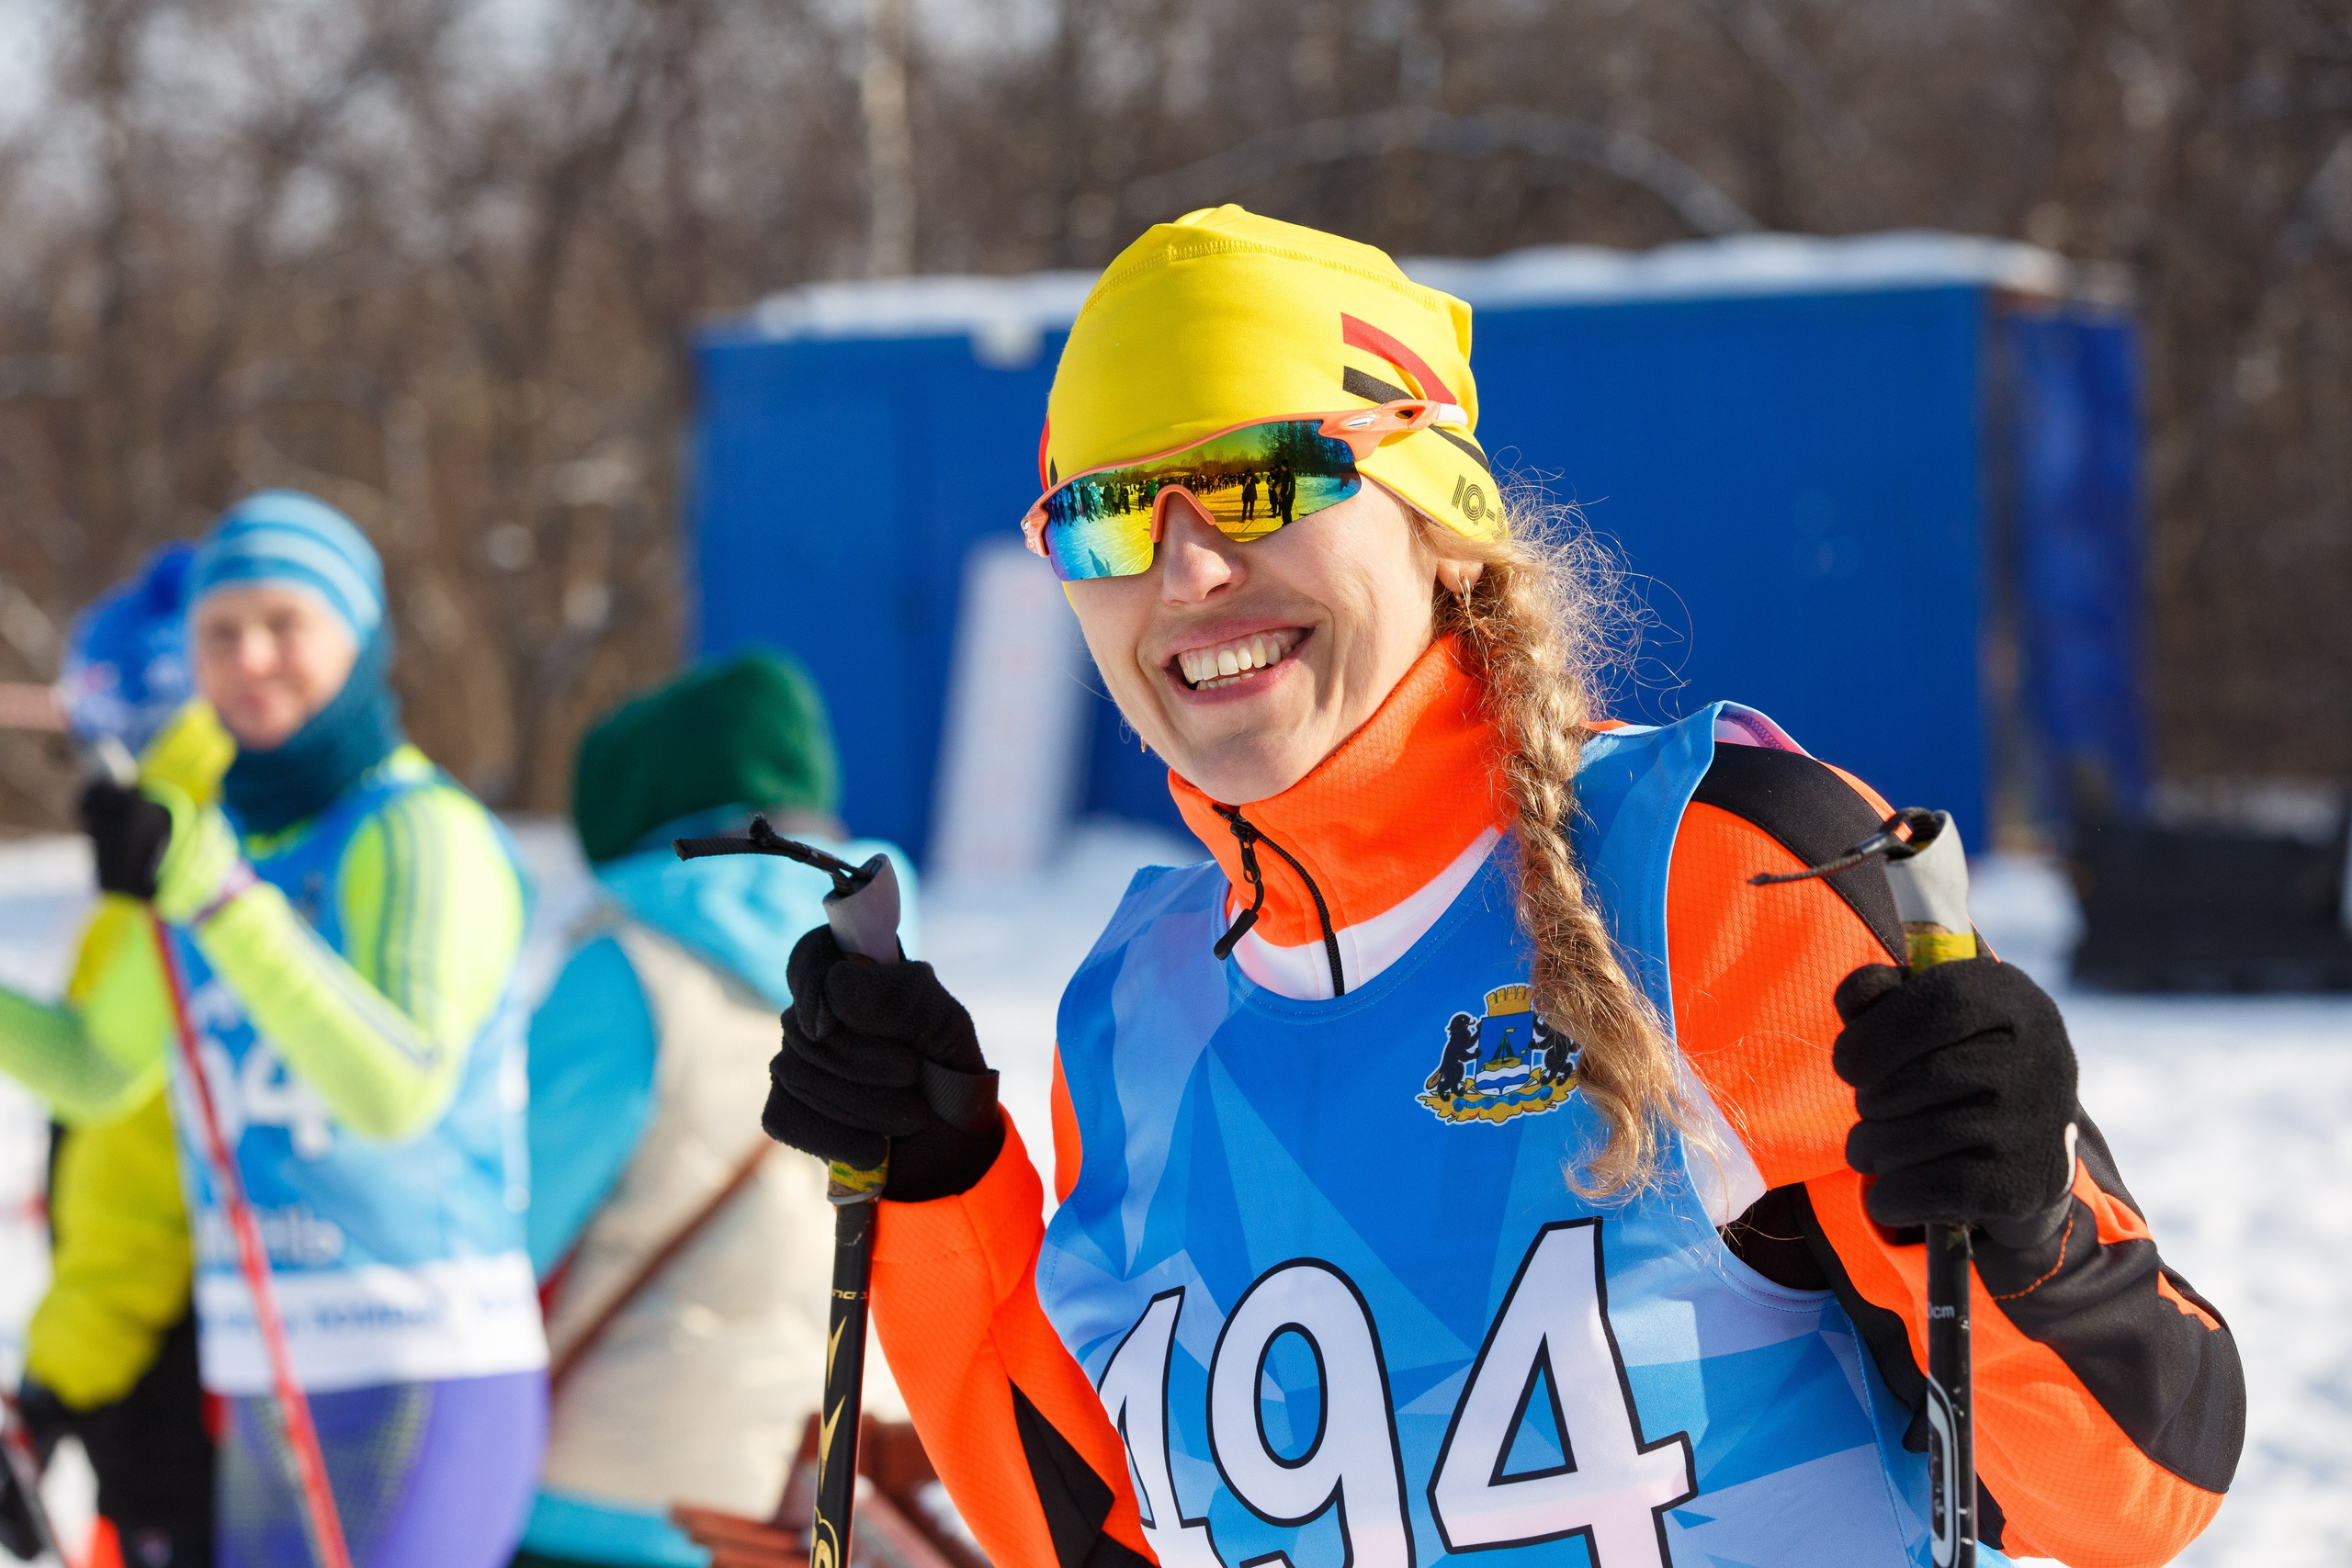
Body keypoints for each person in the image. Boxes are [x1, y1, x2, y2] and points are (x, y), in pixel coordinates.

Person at [761, 208, 2245, 1568]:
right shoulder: (1139, 1005)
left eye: (1263, 478)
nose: (1188, 569)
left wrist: (2025, 1226)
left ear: (1434, 510)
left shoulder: (1711, 869)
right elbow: (1100, 1536)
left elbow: (2132, 1484)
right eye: (1108, 515)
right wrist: (938, 1182)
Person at [0, 491, 546, 1568]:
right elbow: (98, 1069)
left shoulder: (416, 832)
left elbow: (396, 1093)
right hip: (261, 1374)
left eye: (285, 624)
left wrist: (215, 898)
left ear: (360, 635)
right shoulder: (215, 845)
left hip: (421, 1364)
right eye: (220, 631)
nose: (250, 657)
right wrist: (204, 883)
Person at [514, 651, 913, 1568]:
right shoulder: (897, 976)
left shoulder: (627, 974)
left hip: (615, 1489)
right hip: (820, 1491)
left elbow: (511, 1232)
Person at [4, 544, 231, 1568]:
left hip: (172, 1368)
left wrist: (60, 1379)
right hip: (198, 1353)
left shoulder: (180, 857)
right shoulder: (236, 832)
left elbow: (134, 1158)